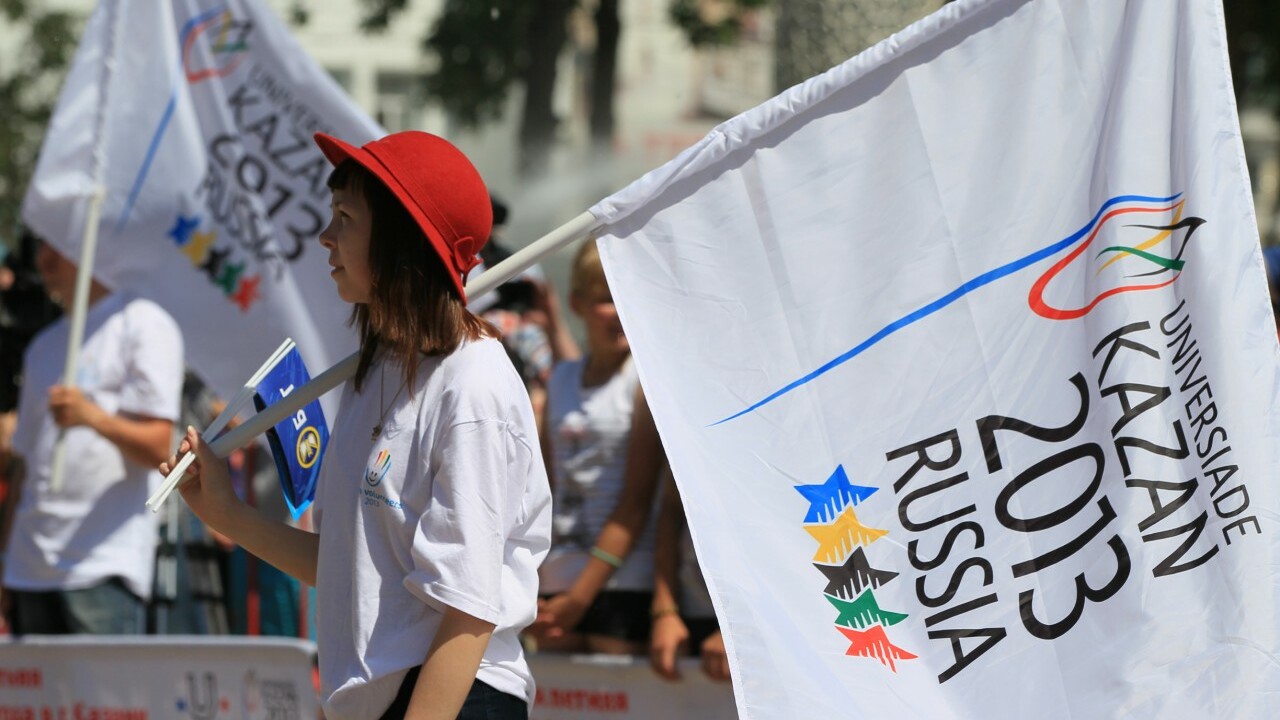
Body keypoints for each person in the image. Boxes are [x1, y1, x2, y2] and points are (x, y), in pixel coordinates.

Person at [165, 130, 551, 719]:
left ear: (403, 240)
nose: (325, 236)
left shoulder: (473, 385)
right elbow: (346, 568)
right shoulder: (375, 371)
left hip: (457, 698)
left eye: (345, 217)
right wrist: (227, 514)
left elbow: (469, 610)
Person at [0, 237, 184, 635]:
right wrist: (5, 560)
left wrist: (92, 417)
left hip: (102, 565)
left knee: (107, 681)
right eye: (39, 245)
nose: (44, 257)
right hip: (29, 569)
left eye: (56, 242)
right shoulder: (42, 347)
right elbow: (24, 468)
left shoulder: (142, 322)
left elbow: (160, 448)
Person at [526, 240, 664, 655]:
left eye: (627, 296)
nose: (619, 311)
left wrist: (580, 598)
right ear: (578, 304)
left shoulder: (644, 381)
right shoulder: (560, 379)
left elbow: (637, 502)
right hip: (556, 580)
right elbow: (544, 491)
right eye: (606, 299)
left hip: (623, 582)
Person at [648, 472, 730, 683]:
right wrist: (665, 611)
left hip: (760, 626)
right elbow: (672, 506)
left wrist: (741, 626)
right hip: (688, 613)